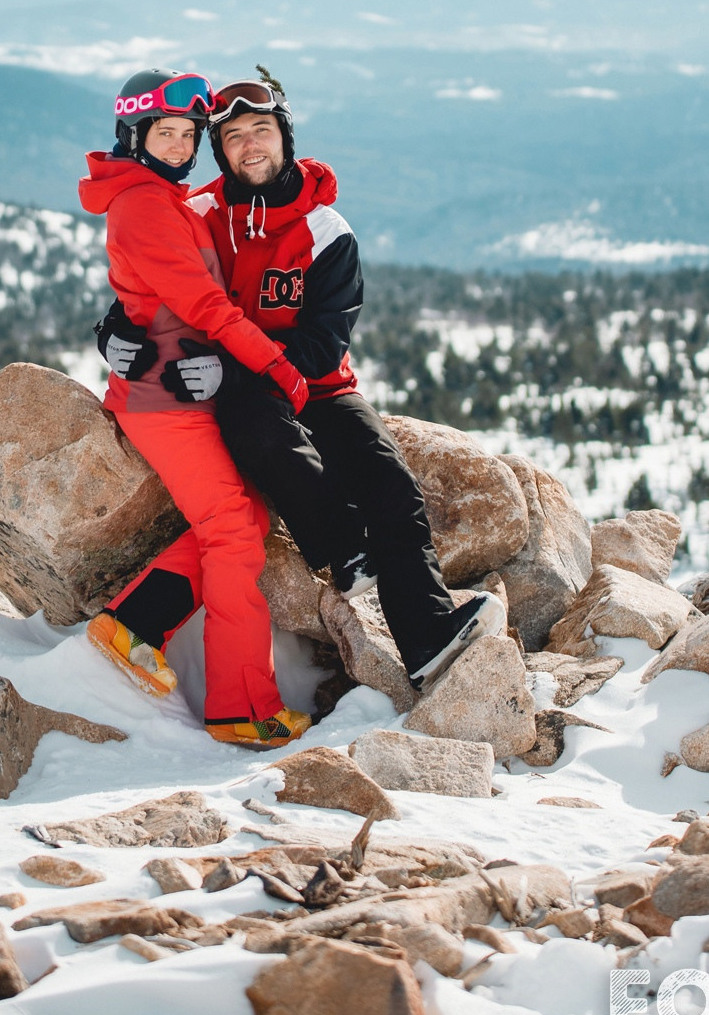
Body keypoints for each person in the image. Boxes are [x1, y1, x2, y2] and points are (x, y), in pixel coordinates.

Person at [101, 69, 505, 692]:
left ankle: (426, 634)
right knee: (256, 430)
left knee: (389, 483)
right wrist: (112, 329)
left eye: (262, 129)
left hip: (318, 385)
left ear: (285, 138)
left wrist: (234, 364)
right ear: (220, 151)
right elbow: (150, 270)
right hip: (238, 392)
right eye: (233, 136)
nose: (250, 145)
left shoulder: (326, 231)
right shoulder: (201, 212)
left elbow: (323, 344)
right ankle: (343, 552)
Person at [77, 67, 313, 750]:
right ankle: (243, 706)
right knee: (233, 533)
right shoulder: (144, 205)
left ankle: (134, 626)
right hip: (163, 402)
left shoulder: (164, 196)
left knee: (248, 514)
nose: (181, 146)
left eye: (188, 134)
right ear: (134, 135)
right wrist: (278, 366)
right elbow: (204, 305)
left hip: (184, 394)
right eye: (167, 133)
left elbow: (151, 290)